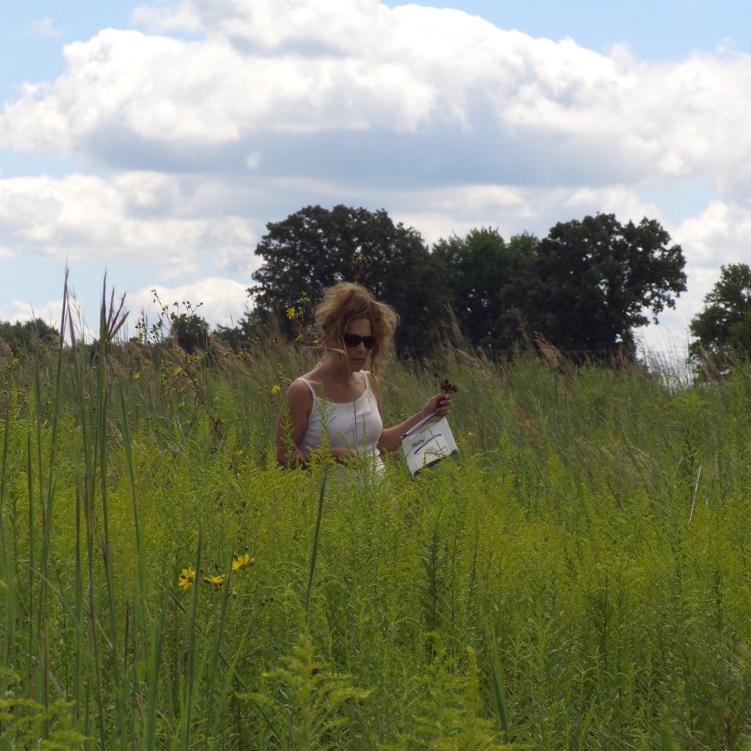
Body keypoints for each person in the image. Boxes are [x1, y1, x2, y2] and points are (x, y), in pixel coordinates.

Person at [275, 282, 452, 474]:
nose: (361, 349)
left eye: (368, 342)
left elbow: (380, 444)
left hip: (378, 500)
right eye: (352, 340)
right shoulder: (303, 391)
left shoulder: (370, 382)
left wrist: (425, 415)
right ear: (329, 339)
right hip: (326, 502)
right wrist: (333, 456)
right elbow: (283, 458)